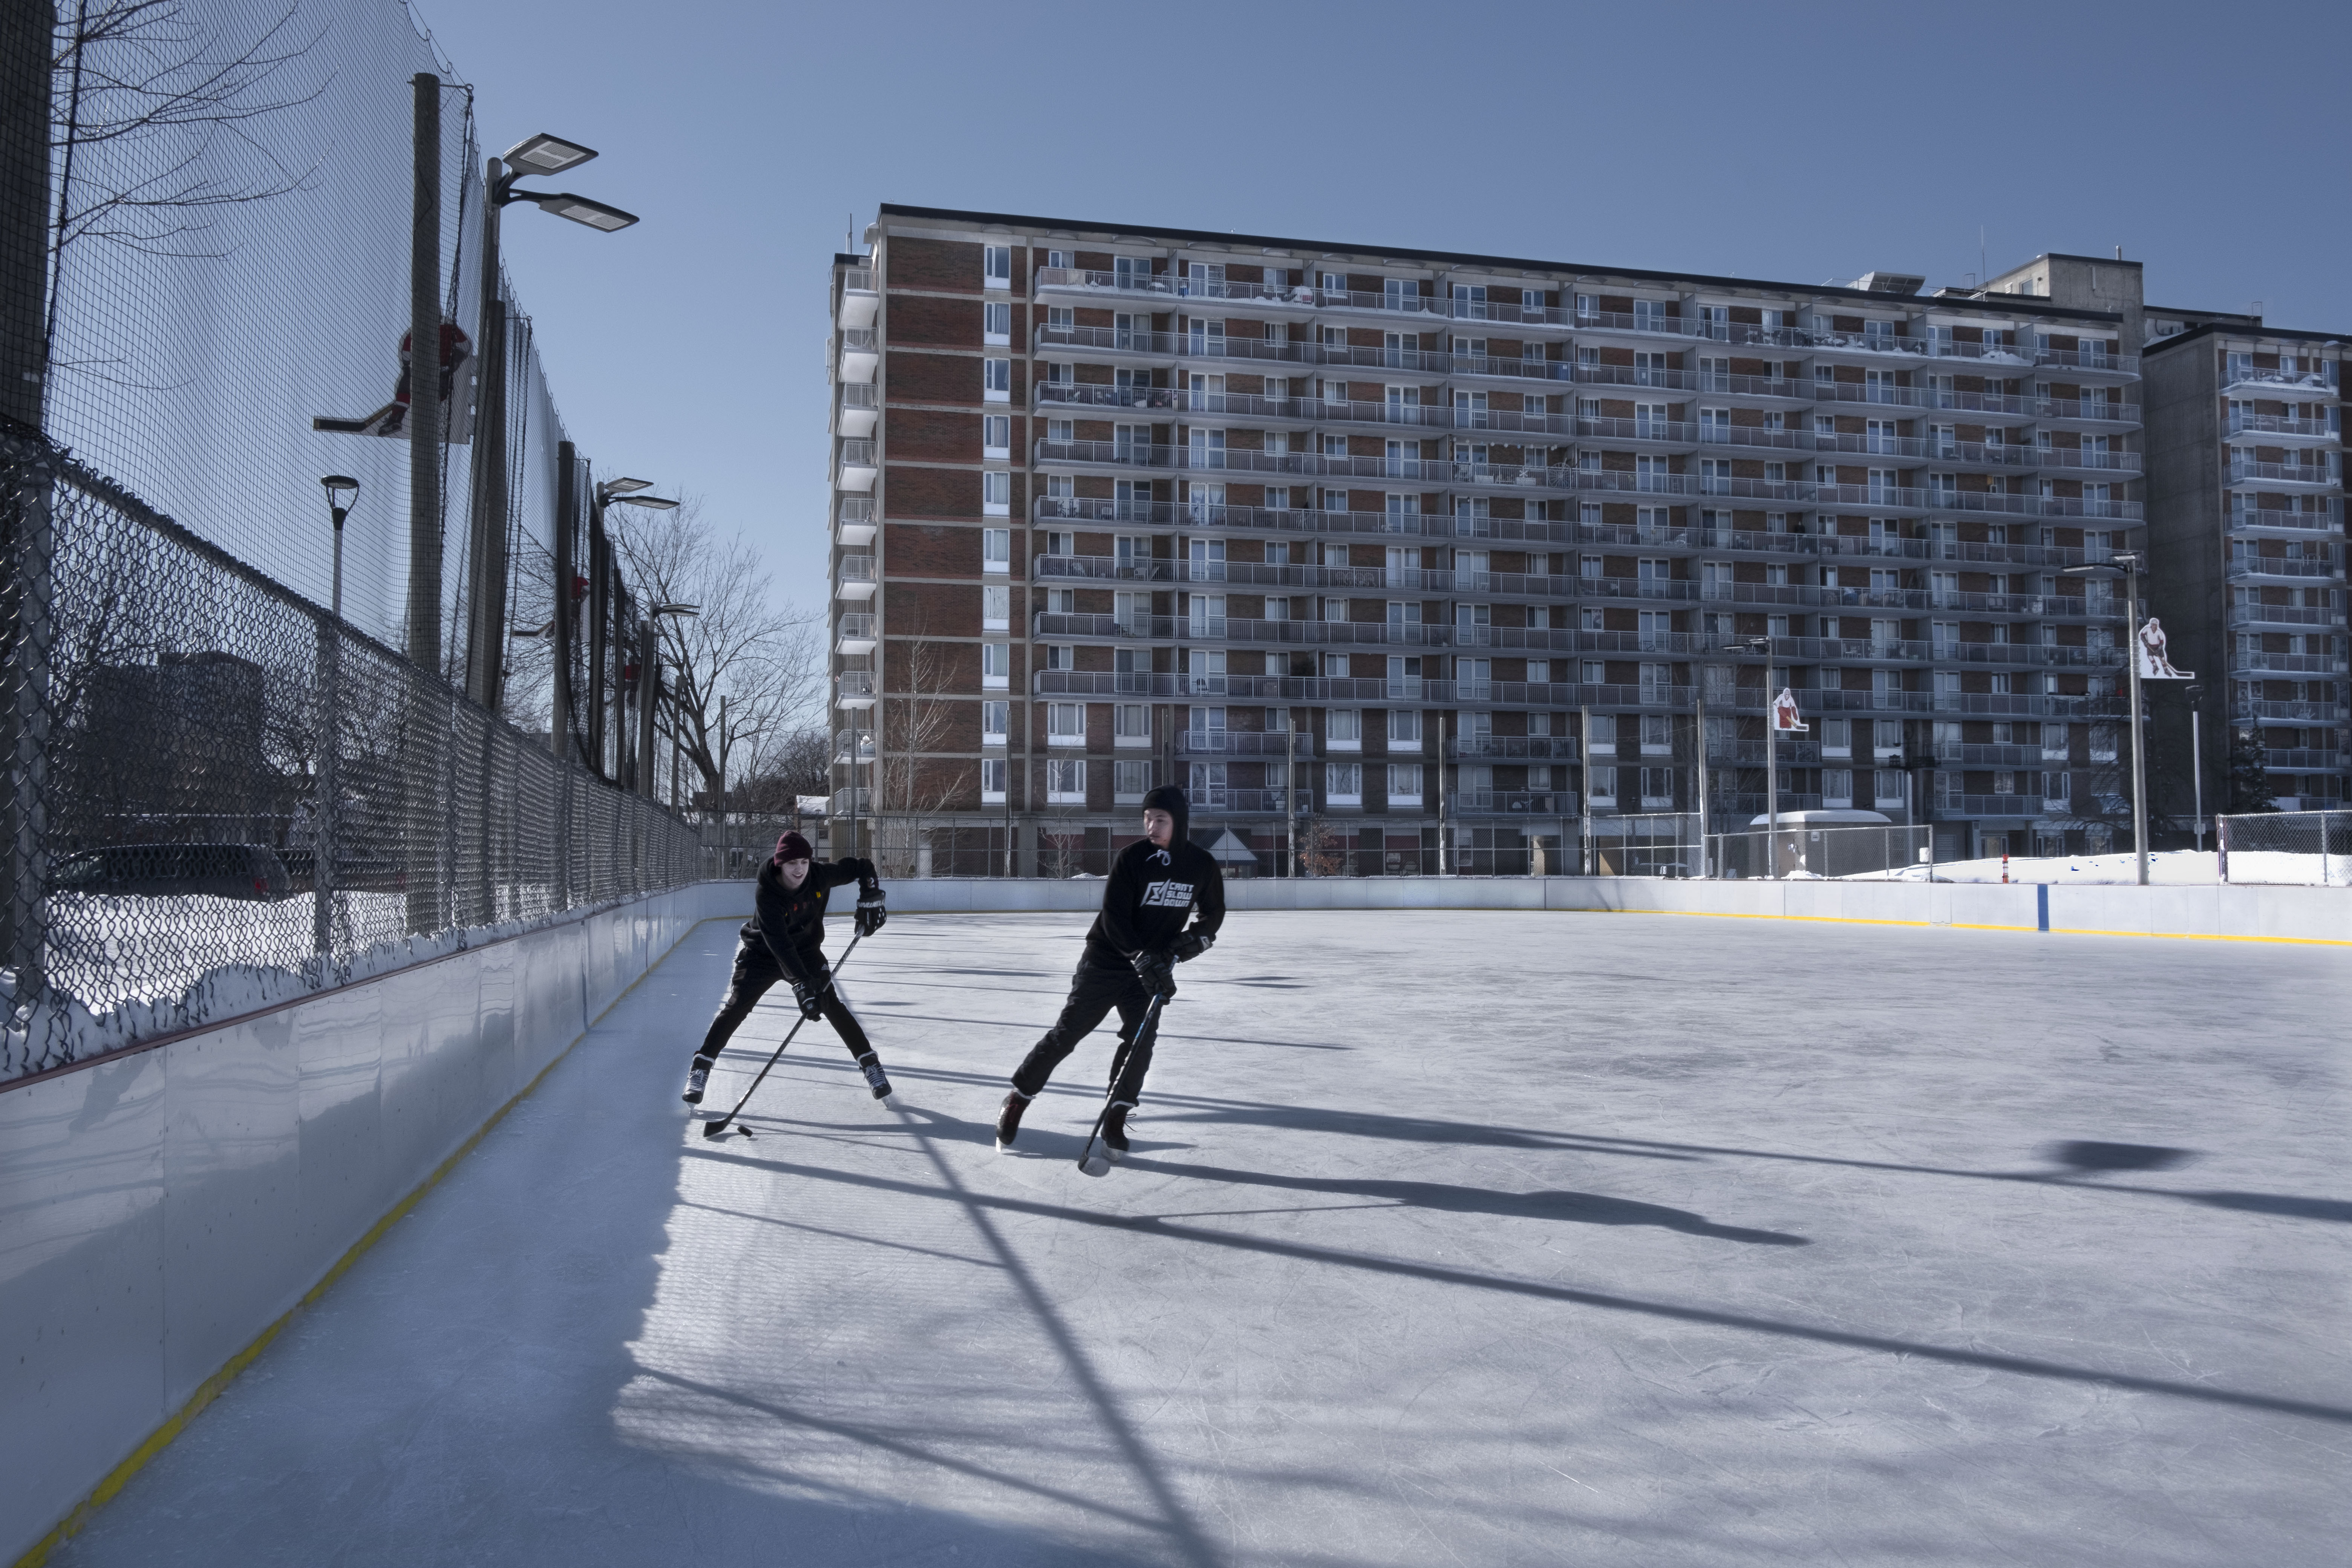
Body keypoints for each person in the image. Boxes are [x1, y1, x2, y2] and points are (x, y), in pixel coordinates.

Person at [995, 785, 1223, 1156]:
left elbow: (1213, 913)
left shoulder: (1200, 865)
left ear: (1178, 821)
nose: (1151, 825)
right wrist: (1140, 955)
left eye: (1160, 819)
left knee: (1140, 1042)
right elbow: (1115, 919)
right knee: (1067, 1033)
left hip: (1151, 967)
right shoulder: (1132, 858)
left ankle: (1116, 1114)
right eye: (1147, 818)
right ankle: (1018, 1097)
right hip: (1106, 959)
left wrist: (1194, 941)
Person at [682, 831, 892, 1108]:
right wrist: (802, 984)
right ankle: (701, 1066)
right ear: (780, 864)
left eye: (804, 862)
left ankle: (870, 1065)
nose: (800, 869)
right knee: (738, 1004)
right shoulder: (767, 894)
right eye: (793, 863)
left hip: (806, 952)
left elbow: (863, 866)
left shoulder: (819, 876)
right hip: (763, 953)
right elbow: (780, 945)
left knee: (831, 1004)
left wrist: (871, 894)